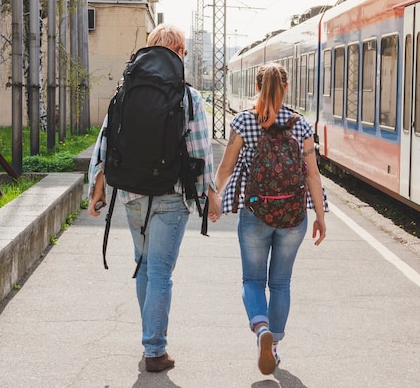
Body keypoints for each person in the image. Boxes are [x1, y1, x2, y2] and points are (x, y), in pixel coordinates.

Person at [87, 23, 218, 373]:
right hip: (171, 196)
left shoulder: (125, 89)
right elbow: (200, 149)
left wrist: (96, 188)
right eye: (185, 52)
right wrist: (208, 195)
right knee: (160, 271)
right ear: (177, 50)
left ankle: (150, 340)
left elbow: (105, 140)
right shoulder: (187, 97)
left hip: (130, 191)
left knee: (145, 265)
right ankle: (155, 350)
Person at [208, 62, 328, 375]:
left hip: (254, 212)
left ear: (257, 86)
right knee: (281, 283)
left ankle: (261, 328)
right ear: (286, 88)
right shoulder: (300, 124)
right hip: (293, 216)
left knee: (252, 280)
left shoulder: (244, 121)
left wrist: (214, 197)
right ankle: (273, 346)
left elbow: (226, 168)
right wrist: (320, 215)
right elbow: (312, 174)